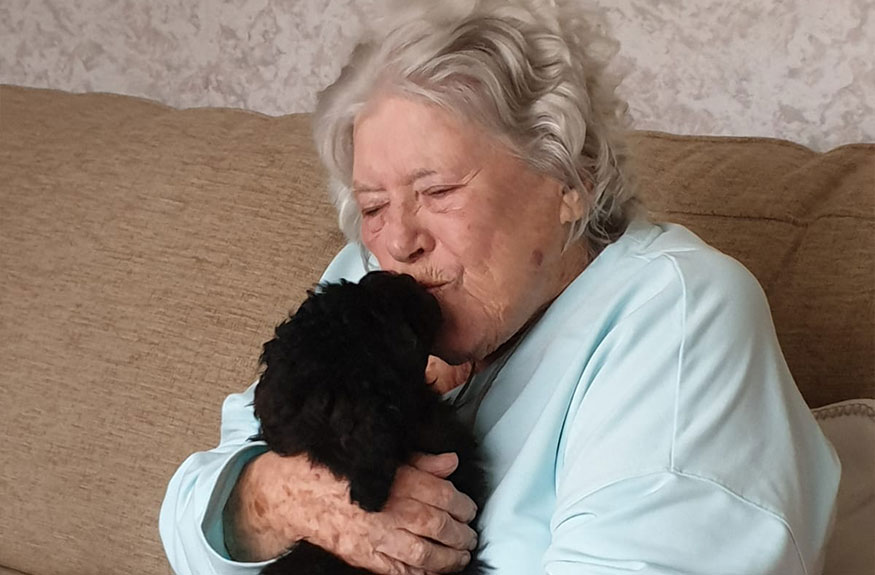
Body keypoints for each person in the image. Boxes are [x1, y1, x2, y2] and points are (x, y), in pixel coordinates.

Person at [159, 1, 840, 573]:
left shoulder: (676, 313)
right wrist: (279, 497)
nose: (399, 240)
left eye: (438, 190)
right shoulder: (370, 282)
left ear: (570, 179)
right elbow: (191, 520)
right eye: (372, 205)